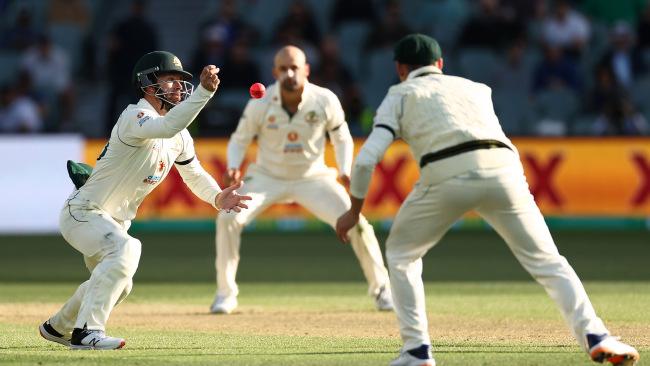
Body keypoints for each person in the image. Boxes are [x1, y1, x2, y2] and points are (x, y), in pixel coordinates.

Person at [335, 34, 640, 366]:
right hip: (504, 171)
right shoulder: (475, 88)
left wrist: (354, 211)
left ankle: (417, 351)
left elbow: (366, 161)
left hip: (446, 172)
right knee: (548, 261)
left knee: (401, 254)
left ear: (400, 69)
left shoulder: (400, 93)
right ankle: (597, 335)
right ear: (440, 64)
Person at [38, 51, 251, 350]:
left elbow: (193, 174)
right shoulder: (134, 116)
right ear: (149, 85)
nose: (179, 86)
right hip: (83, 212)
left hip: (112, 222)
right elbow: (166, 127)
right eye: (171, 79)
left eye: (182, 81)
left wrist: (217, 196)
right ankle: (87, 332)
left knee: (120, 282)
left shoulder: (179, 136)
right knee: (126, 249)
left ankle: (57, 327)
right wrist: (204, 92)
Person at [211, 45, 393, 314]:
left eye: (295, 67)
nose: (289, 73)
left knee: (358, 223)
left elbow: (341, 136)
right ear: (274, 72)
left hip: (313, 177)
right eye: (283, 68)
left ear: (306, 69)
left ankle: (382, 290)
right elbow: (239, 139)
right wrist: (234, 166)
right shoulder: (260, 101)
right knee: (227, 218)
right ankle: (225, 294)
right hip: (267, 177)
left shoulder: (325, 99)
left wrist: (344, 169)